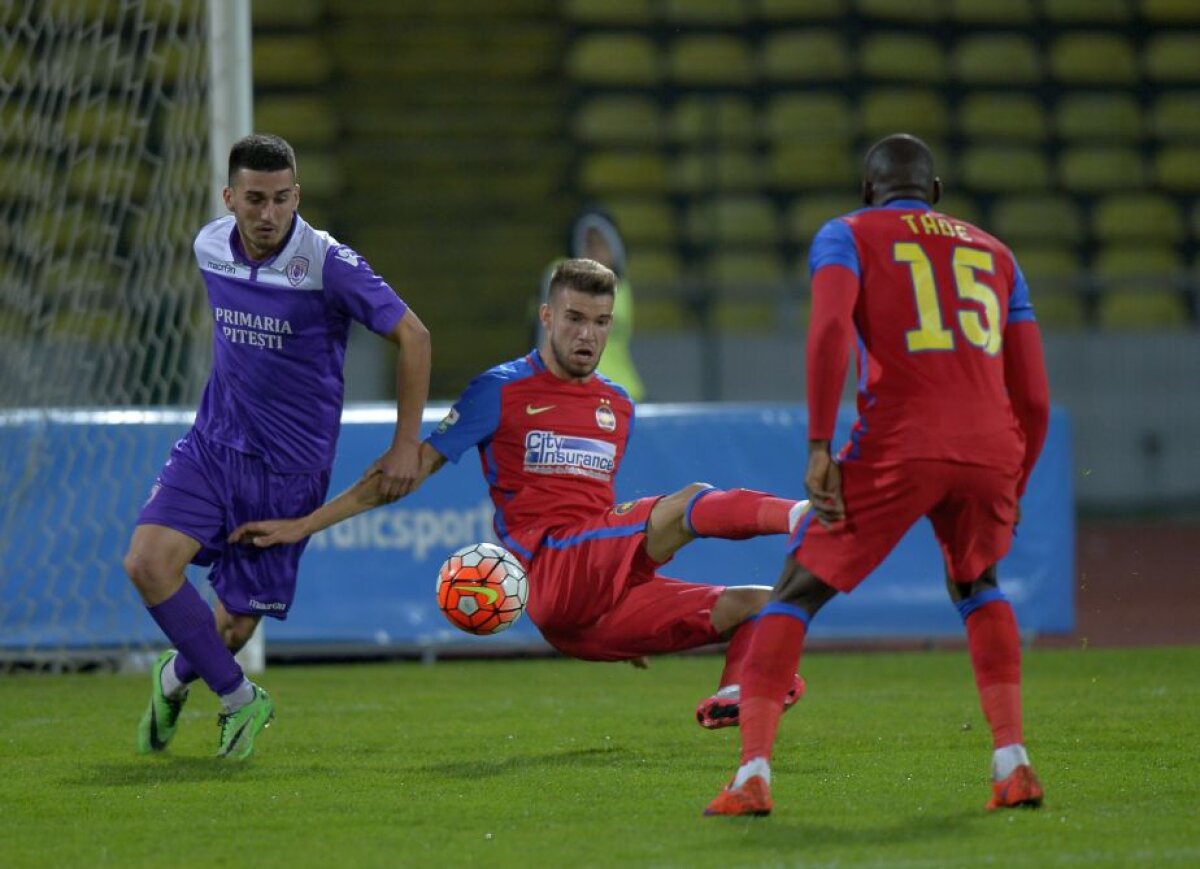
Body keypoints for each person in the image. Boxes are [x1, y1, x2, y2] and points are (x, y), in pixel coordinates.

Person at [232, 257, 806, 728]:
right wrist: (301, 526)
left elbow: (599, 512)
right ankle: (803, 517)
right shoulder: (501, 391)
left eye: (601, 322)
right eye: (575, 318)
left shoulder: (617, 405)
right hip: (546, 565)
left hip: (590, 606)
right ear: (547, 316)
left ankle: (733, 695)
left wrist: (619, 594)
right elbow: (402, 474)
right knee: (690, 501)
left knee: (759, 604)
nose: (588, 334)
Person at [704, 134, 1051, 817]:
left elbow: (831, 331)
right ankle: (1012, 760)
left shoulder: (847, 234)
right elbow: (1034, 396)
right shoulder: (999, 255)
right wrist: (1019, 475)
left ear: (868, 191)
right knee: (978, 582)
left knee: (794, 591)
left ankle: (752, 774)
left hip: (901, 440)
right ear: (938, 192)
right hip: (989, 448)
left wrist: (817, 444)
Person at [124, 133, 431, 760]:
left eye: (282, 200)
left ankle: (175, 676)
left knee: (232, 626)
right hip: (213, 446)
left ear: (298, 196)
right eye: (255, 200)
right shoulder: (209, 245)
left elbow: (415, 337)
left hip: (289, 472)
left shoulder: (326, 262)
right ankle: (241, 700)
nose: (268, 215)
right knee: (148, 564)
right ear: (230, 198)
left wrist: (406, 445)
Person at [536, 206, 645, 400]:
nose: (595, 252)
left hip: (625, 392)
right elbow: (544, 337)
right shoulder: (561, 277)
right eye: (589, 244)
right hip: (575, 393)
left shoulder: (623, 287)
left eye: (602, 244)